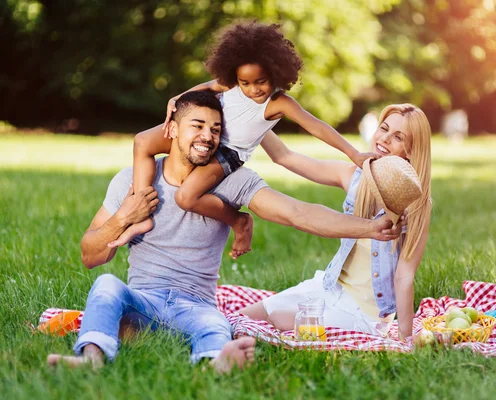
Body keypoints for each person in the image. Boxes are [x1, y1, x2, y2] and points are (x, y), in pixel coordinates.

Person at [46, 91, 400, 372]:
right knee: (107, 285)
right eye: (197, 126)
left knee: (218, 323)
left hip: (197, 307)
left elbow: (297, 213)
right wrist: (125, 215)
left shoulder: (233, 181)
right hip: (145, 301)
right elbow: (90, 255)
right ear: (171, 129)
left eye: (215, 129)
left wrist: (369, 227)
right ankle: (91, 359)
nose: (207, 137)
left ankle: (216, 363)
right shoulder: (132, 181)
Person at [110, 21, 377, 259]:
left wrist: (354, 154)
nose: (252, 90)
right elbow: (206, 88)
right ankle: (142, 213)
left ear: (276, 72)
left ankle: (238, 221)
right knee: (143, 141)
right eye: (245, 83)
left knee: (186, 197)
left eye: (260, 81)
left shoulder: (279, 102)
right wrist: (180, 99)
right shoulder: (232, 84)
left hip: (227, 153)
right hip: (206, 132)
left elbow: (317, 127)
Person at [240, 104, 432, 340]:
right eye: (383, 129)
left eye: (398, 137)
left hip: (364, 313)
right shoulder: (354, 176)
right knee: (243, 318)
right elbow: (284, 156)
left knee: (279, 319)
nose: (384, 139)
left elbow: (405, 276)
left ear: (411, 151)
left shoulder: (415, 205)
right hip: (328, 288)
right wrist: (251, 116)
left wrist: (405, 338)